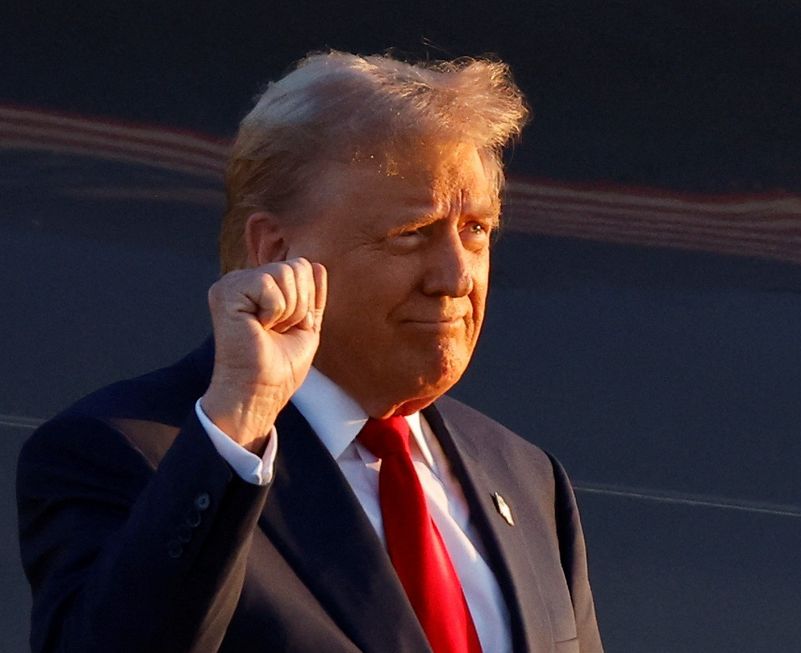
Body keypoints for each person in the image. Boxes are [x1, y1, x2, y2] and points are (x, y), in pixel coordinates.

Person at [17, 51, 603, 653]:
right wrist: (239, 423)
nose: (457, 277)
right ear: (275, 250)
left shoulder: (527, 478)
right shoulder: (137, 455)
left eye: (475, 230)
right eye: (412, 234)